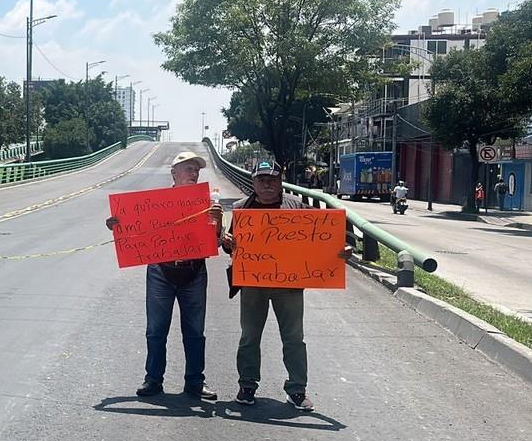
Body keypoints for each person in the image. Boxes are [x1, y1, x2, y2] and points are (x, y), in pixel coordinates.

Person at [220, 161, 352, 411]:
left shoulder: (297, 207)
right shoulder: (241, 209)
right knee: (249, 336)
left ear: (280, 180)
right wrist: (227, 242)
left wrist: (342, 249)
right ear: (254, 182)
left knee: (293, 338)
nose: (267, 184)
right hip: (252, 284)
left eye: (272, 179)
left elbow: (324, 236)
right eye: (261, 180)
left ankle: (297, 389)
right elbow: (231, 246)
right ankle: (247, 385)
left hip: (289, 285)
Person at [105, 151, 223, 400]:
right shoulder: (155, 203)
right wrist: (117, 223)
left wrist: (218, 221)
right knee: (156, 330)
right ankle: (153, 380)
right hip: (161, 271)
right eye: (188, 169)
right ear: (174, 173)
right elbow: (134, 229)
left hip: (194, 271)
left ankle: (195, 381)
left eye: (196, 170)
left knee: (194, 331)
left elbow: (217, 242)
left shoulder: (208, 203)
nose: (194, 173)